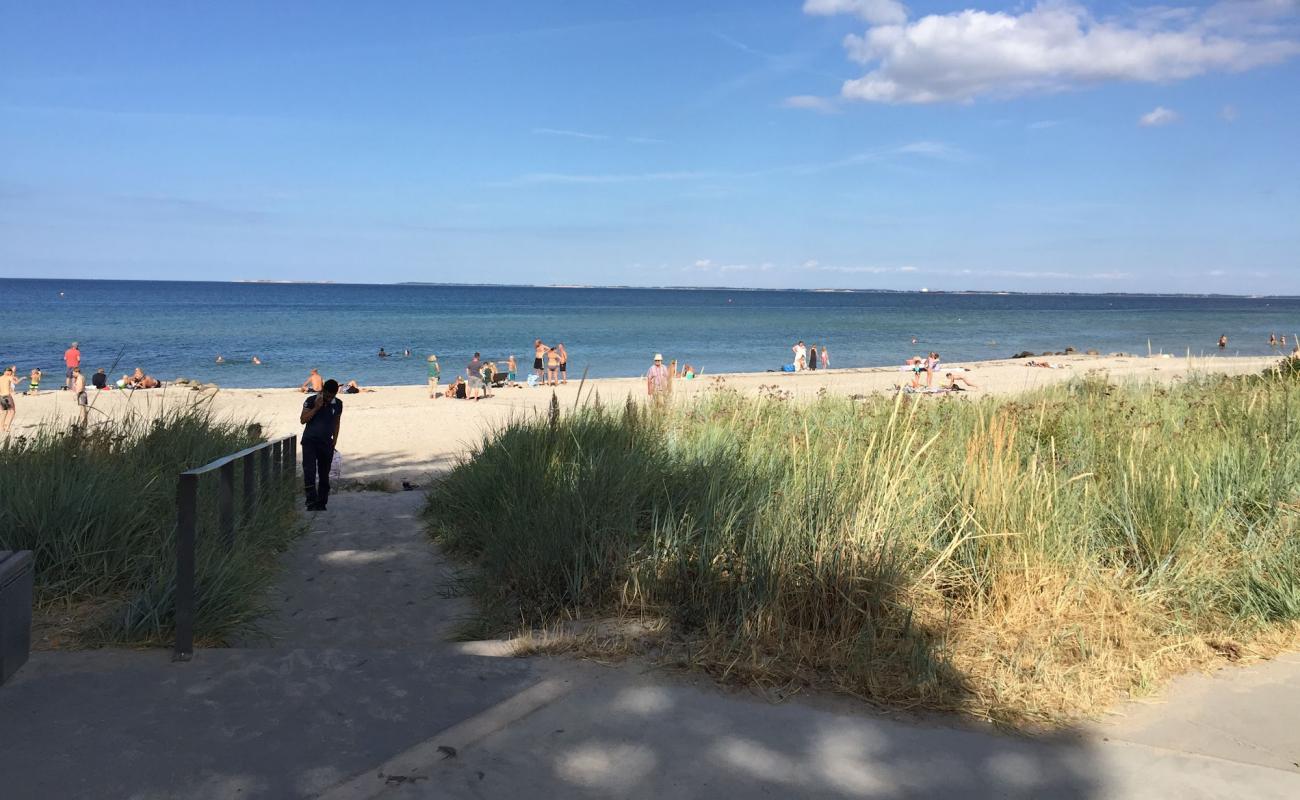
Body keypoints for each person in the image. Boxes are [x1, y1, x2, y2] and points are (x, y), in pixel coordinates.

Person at [300, 378, 342, 511]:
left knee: (324, 474)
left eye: (332, 396)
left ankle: (322, 502)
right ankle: (311, 502)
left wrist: (335, 439)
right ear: (323, 391)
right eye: (327, 396)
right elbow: (303, 419)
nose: (329, 399)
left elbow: (337, 422)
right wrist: (316, 408)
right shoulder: (311, 400)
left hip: (326, 443)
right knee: (309, 472)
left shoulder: (338, 404)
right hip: (309, 442)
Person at [0, 366, 27, 433]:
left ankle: (1, 427)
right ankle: (7, 427)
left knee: (4, 412)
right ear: (8, 372)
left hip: (1, 396)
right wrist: (22, 378)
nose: (10, 374)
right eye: (10, 373)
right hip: (7, 396)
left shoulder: (0, 378)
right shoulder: (9, 377)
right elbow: (16, 383)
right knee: (12, 412)